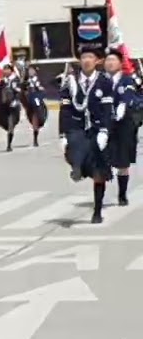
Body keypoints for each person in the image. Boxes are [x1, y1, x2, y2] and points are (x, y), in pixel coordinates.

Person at [59, 45, 114, 224]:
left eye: (90, 57)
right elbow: (65, 110)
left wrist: (105, 131)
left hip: (97, 128)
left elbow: (107, 109)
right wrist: (62, 135)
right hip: (77, 126)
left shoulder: (104, 81)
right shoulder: (70, 82)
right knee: (75, 143)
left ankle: (97, 210)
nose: (86, 60)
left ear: (97, 61)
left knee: (99, 173)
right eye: (83, 57)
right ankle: (77, 169)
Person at [103, 49, 141, 205]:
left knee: (123, 162)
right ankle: (99, 195)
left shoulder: (127, 79)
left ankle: (122, 194)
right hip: (105, 125)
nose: (110, 63)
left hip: (124, 125)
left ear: (120, 63)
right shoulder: (100, 80)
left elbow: (128, 94)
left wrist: (123, 105)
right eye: (108, 60)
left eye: (113, 60)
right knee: (101, 160)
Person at [0, 65, 23, 152]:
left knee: (11, 124)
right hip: (3, 105)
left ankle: (9, 144)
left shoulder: (16, 79)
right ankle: (9, 130)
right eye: (4, 70)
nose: (5, 71)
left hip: (13, 105)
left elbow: (19, 91)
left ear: (11, 71)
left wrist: (14, 92)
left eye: (7, 69)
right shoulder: (2, 80)